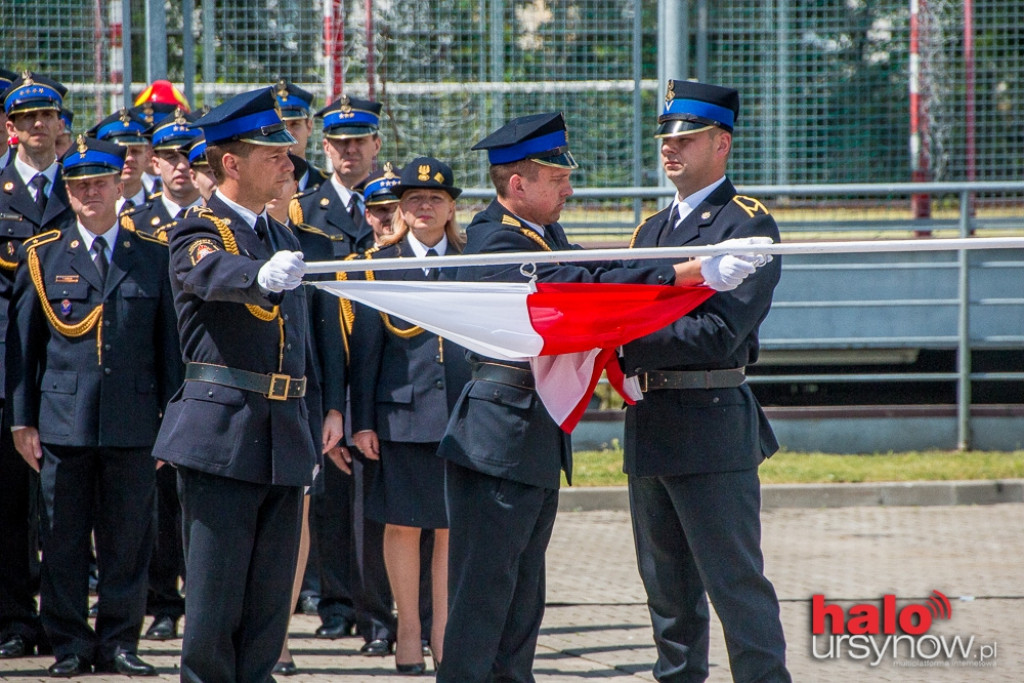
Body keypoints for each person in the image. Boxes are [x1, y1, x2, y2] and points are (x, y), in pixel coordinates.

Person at [436, 111, 765, 683]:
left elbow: (601, 270)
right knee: (483, 598)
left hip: (530, 435)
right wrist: (686, 274)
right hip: (498, 433)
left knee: (519, 599)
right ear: (519, 184)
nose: (570, 187)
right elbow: (579, 292)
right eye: (558, 178)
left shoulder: (547, 235)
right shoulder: (495, 239)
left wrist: (674, 280)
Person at [151, 87, 330, 682]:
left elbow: (302, 348)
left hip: (281, 436)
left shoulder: (281, 237)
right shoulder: (198, 227)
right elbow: (207, 272)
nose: (288, 161)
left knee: (265, 614)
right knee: (213, 612)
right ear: (231, 163)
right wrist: (257, 276)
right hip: (222, 436)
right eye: (272, 153)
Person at [621, 80, 790, 683]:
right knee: (667, 598)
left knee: (736, 587)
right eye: (666, 137)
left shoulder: (747, 226)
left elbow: (719, 332)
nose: (671, 149)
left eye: (686, 138)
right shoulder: (649, 230)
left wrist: (624, 338)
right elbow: (627, 305)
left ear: (721, 144)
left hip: (710, 417)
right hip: (650, 422)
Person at [6, 134, 181, 677]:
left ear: (117, 186)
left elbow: (169, 352)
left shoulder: (152, 257)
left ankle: (119, 642)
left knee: (127, 540)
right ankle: (70, 644)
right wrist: (22, 420)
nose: (90, 194)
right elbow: (24, 349)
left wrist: (170, 424)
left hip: (133, 423)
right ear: (69, 191)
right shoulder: (44, 256)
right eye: (79, 186)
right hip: (62, 424)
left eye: (100, 183)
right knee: (62, 540)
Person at [350, 157, 470, 675]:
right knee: (402, 526)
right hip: (401, 416)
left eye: (436, 199)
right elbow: (365, 351)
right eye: (415, 199)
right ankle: (407, 630)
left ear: (451, 209)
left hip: (461, 415)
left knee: (449, 529)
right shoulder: (381, 261)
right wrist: (362, 420)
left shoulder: (470, 260)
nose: (425, 207)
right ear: (400, 208)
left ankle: (444, 631)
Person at [290, 93, 396, 656]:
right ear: (325, 146)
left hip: (383, 370)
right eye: (338, 142)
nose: (349, 151)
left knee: (377, 502)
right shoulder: (305, 212)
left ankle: (378, 609)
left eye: (360, 141)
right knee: (329, 497)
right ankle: (335, 604)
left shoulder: (395, 201)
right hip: (328, 367)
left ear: (377, 144)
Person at [0, 71, 74, 662]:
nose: (38, 127)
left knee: (64, 506)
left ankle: (65, 622)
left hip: (73, 365)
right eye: (26, 119)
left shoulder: (81, 187)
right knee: (9, 505)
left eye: (47, 117)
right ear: (10, 129)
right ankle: (15, 617)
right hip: (10, 367)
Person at [127, 108, 202, 240]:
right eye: (171, 157)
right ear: (156, 164)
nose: (182, 166)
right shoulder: (136, 224)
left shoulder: (221, 220)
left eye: (189, 156)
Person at [86, 108, 154, 212]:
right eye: (121, 152)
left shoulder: (162, 211)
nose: (129, 158)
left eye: (135, 151)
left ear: (147, 157)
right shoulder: (89, 211)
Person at [274, 79, 329, 192]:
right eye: (281, 126)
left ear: (309, 127)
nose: (288, 132)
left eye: (295, 124)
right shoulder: (257, 188)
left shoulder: (328, 187)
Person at [359, 162, 400, 245]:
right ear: (368, 216)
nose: (391, 216)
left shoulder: (424, 257)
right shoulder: (365, 258)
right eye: (382, 209)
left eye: (397, 209)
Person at [186, 135, 217, 203]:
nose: (219, 179)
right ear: (194, 178)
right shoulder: (190, 214)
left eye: (226, 171)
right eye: (210, 172)